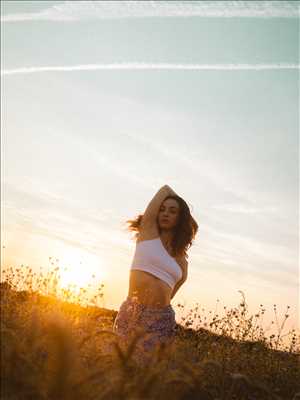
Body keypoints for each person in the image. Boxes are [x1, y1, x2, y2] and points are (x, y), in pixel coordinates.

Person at [113, 184, 198, 367]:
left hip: (162, 318)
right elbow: (165, 189)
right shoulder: (147, 233)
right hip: (133, 311)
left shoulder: (182, 262)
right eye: (162, 210)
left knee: (148, 373)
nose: (165, 214)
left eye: (173, 211)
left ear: (179, 218)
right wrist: (184, 209)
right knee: (118, 365)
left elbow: (171, 294)